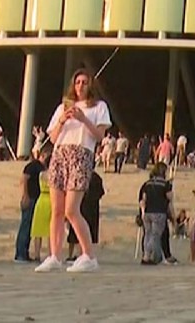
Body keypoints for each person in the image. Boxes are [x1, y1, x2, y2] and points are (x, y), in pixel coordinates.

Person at [36, 68, 112, 274]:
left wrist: (83, 119)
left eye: (84, 82)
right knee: (57, 210)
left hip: (81, 154)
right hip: (60, 154)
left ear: (90, 85)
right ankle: (54, 256)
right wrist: (63, 120)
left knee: (71, 209)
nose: (80, 86)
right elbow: (52, 138)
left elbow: (99, 136)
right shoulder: (63, 107)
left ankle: (89, 255)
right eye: (77, 82)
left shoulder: (99, 107)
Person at [15, 147, 48, 263]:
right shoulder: (33, 166)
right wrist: (25, 195)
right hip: (31, 197)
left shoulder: (42, 167)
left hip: (38, 199)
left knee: (30, 226)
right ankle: (20, 253)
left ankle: (24, 252)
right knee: (26, 225)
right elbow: (24, 179)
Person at [139, 163, 172, 265]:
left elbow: (143, 200)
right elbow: (169, 200)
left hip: (147, 212)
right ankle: (150, 256)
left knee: (147, 234)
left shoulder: (147, 184)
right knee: (155, 236)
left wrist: (142, 212)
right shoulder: (165, 185)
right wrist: (173, 217)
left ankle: (146, 255)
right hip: (159, 212)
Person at [66, 171, 104, 261]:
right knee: (87, 231)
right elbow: (101, 193)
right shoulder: (96, 177)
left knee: (75, 231)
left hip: (81, 206)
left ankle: (73, 254)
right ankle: (84, 253)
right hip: (92, 208)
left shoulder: (80, 176)